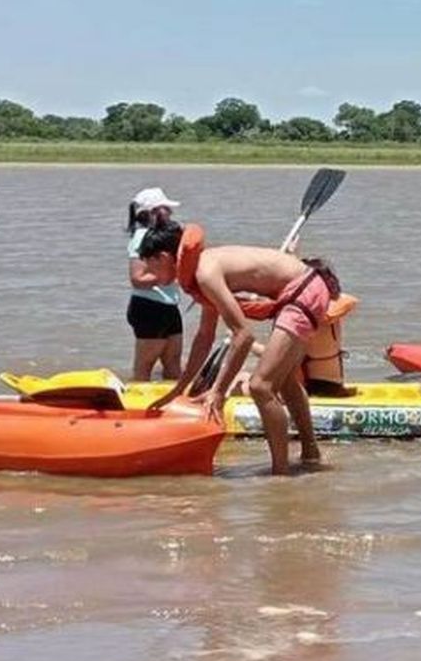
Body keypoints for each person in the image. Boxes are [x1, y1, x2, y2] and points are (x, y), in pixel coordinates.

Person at [136, 221, 341, 475]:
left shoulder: (205, 272)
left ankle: (281, 474)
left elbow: (243, 336)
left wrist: (218, 392)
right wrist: (179, 389)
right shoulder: (200, 271)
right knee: (284, 378)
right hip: (307, 288)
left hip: (304, 292)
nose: (148, 272)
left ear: (164, 257)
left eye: (150, 263)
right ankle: (311, 454)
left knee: (260, 386)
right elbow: (204, 337)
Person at [125, 186, 184, 381]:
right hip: (148, 307)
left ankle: (174, 403)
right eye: (166, 208)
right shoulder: (142, 237)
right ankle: (136, 406)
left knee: (173, 363)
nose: (171, 212)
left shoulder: (165, 237)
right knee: (144, 366)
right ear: (153, 212)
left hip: (169, 305)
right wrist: (165, 276)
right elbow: (137, 279)